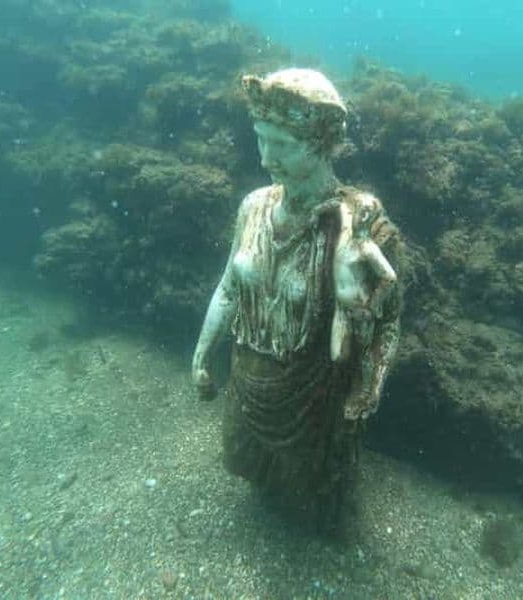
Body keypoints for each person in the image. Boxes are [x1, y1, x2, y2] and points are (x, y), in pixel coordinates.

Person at [190, 68, 402, 530]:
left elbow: (387, 321)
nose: (267, 158)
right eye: (260, 140)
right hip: (248, 372)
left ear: (321, 144)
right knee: (248, 463)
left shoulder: (360, 226)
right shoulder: (253, 206)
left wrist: (370, 387)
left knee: (312, 494)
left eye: (282, 145)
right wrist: (202, 354)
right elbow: (228, 287)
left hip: (315, 391)